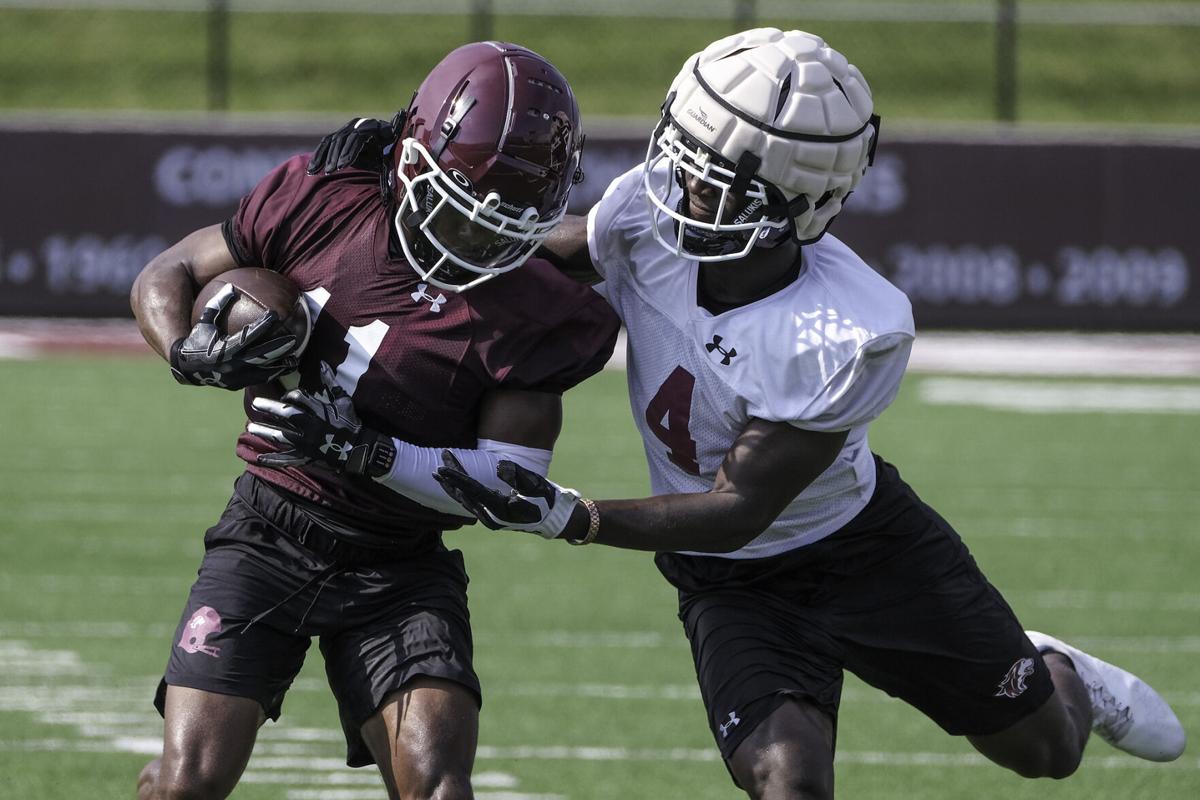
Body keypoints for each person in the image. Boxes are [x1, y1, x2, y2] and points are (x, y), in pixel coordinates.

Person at [425, 28, 1188, 798]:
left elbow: (737, 507)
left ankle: (1057, 668)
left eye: (707, 177)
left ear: (791, 205)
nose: (674, 185)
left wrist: (573, 515)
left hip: (861, 552)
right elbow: (542, 258)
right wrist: (433, 247)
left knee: (1047, 751)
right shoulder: (647, 220)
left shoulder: (846, 331)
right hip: (731, 584)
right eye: (679, 154)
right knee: (787, 782)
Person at [129, 41, 619, 800]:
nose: (477, 243)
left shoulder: (539, 312)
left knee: (440, 789)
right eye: (461, 213)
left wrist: (371, 454)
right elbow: (169, 272)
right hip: (270, 531)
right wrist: (186, 352)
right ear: (409, 162)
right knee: (186, 783)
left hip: (399, 562)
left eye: (504, 225)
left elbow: (506, 485)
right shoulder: (324, 200)